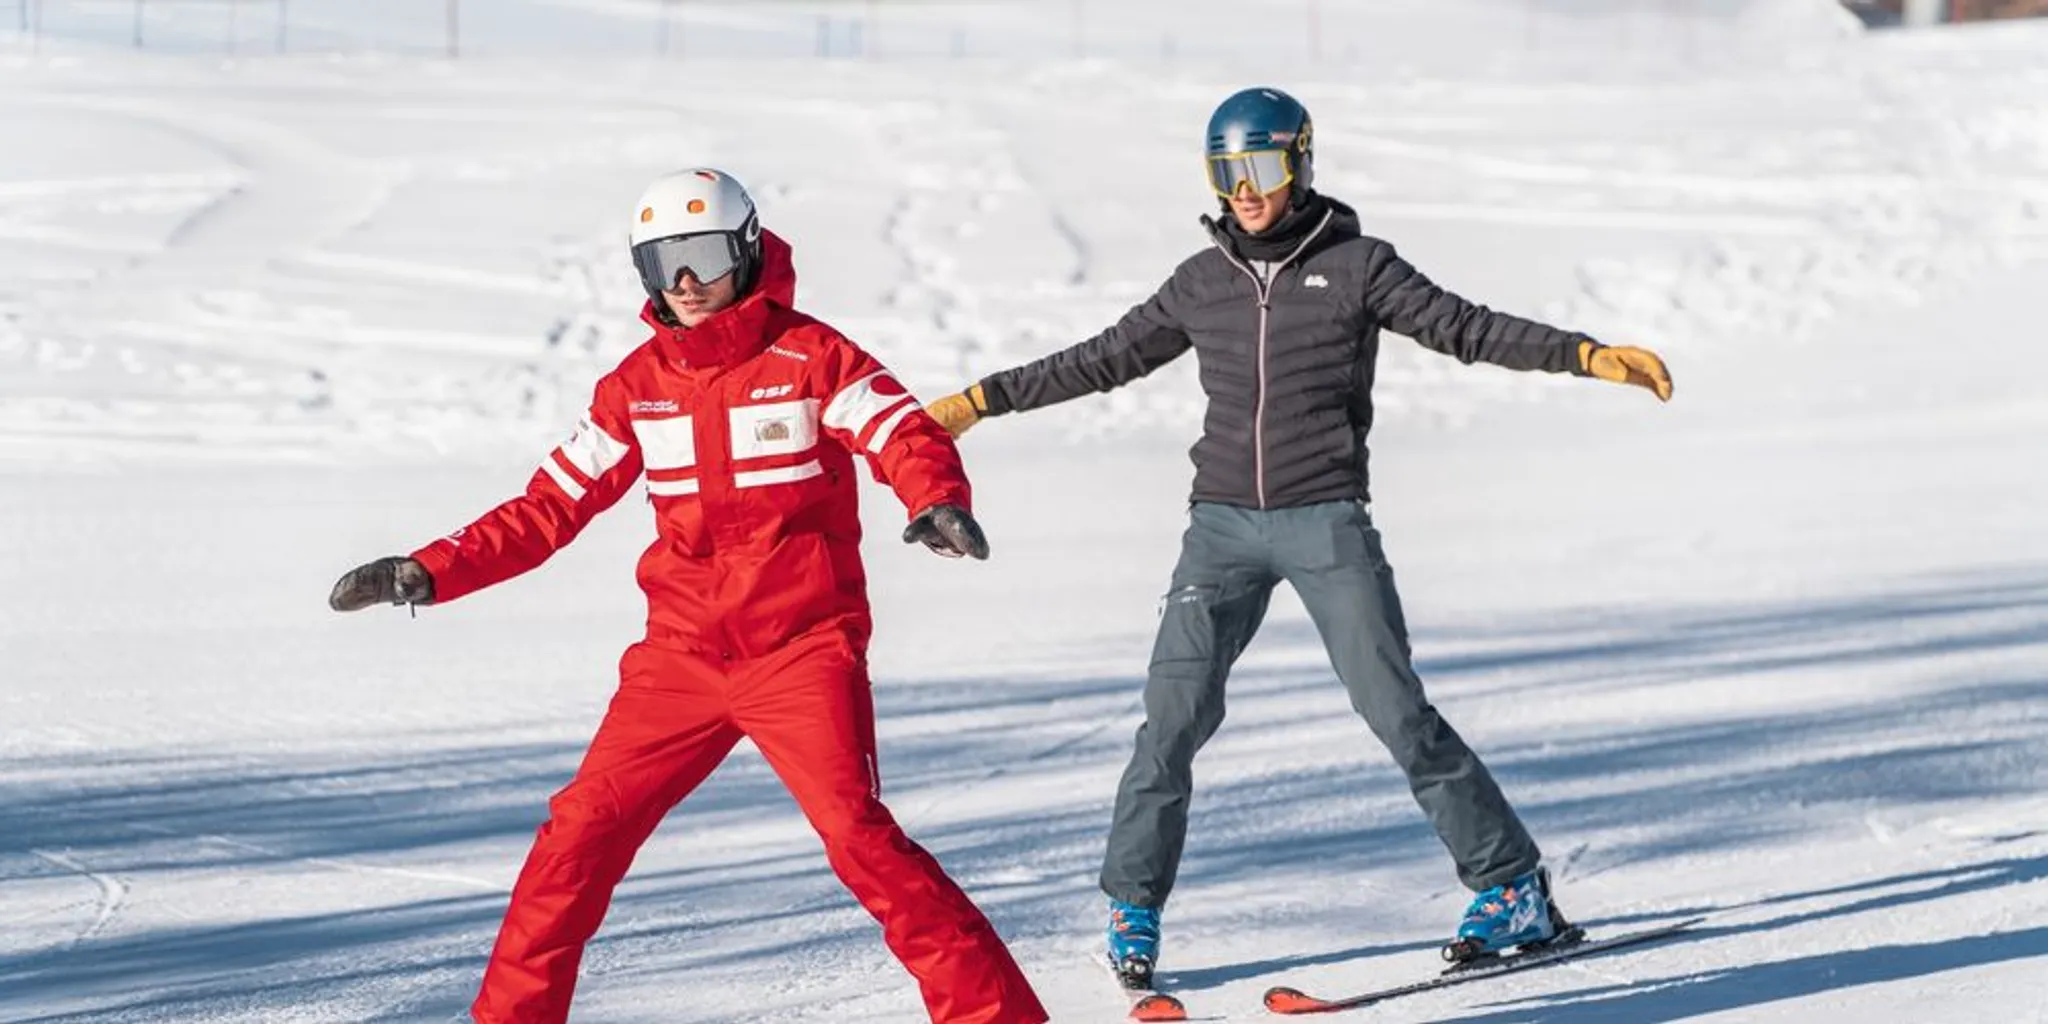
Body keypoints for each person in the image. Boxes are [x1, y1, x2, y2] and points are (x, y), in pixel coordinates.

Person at [922, 87, 1674, 987]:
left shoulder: (1359, 267)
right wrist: (980, 400)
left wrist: (1584, 353)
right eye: (1226, 172)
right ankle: (1132, 908)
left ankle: (1512, 885)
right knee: (1171, 722)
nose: (1244, 191)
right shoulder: (1201, 282)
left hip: (1326, 519)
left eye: (1262, 168)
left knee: (1395, 710)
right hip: (1220, 531)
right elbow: (1101, 357)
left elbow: (1465, 328)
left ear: (1301, 163)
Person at [328, 168, 1048, 1024]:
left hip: (801, 651)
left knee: (858, 837)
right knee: (577, 834)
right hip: (680, 661)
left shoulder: (814, 357)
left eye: (703, 255)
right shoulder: (636, 388)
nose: (685, 281)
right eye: (663, 261)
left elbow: (901, 430)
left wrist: (935, 499)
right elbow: (548, 507)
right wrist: (431, 569)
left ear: (745, 249)